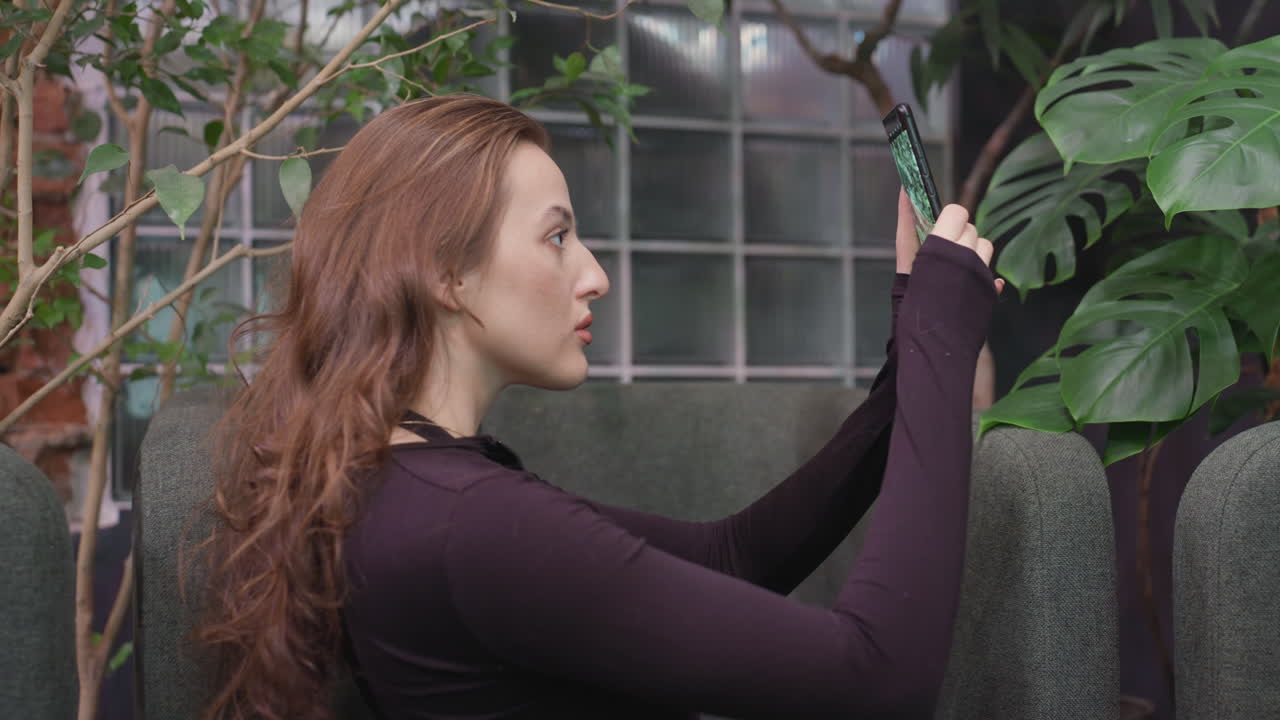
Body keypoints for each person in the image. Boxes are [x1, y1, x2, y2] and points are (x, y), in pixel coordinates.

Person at [197, 94, 1002, 720]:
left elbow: (732, 557)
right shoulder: (468, 526)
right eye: (557, 237)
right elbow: (879, 680)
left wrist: (908, 360)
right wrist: (938, 339)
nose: (594, 276)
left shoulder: (411, 487)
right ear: (444, 273)